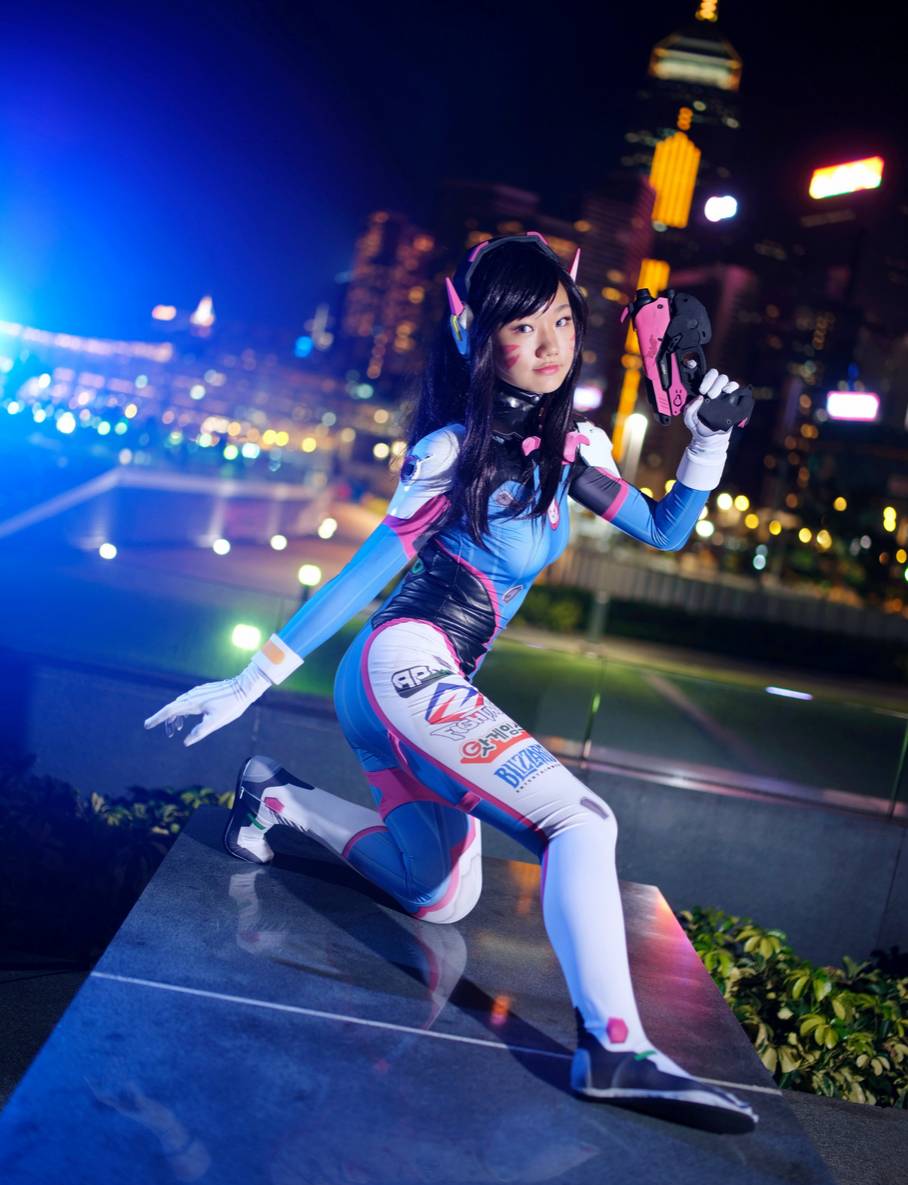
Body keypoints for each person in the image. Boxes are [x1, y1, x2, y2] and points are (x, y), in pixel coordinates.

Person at [145, 234, 757, 1134]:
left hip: (420, 684)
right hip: (402, 666)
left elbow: (666, 530)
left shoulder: (571, 452)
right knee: (581, 822)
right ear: (477, 337)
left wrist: (706, 441)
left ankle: (278, 801)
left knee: (441, 897)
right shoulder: (452, 450)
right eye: (523, 326)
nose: (550, 344)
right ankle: (615, 1047)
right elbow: (365, 573)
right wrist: (248, 681)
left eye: (561, 321)